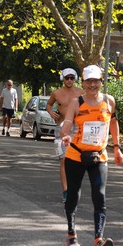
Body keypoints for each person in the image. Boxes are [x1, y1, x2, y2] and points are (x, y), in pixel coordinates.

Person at [59, 65, 123, 246]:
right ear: (83, 83)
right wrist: (65, 135)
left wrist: (117, 148)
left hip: (99, 155)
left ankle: (98, 240)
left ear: (101, 81)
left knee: (99, 196)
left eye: (96, 81)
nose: (93, 85)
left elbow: (113, 123)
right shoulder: (76, 102)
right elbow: (67, 124)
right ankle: (71, 235)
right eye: (89, 81)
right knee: (73, 195)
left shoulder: (109, 101)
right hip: (76, 154)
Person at [46, 68, 84, 204]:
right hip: (60, 128)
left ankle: (74, 188)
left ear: (75, 79)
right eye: (67, 78)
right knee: (63, 161)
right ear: (63, 79)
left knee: (77, 161)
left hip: (77, 128)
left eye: (71, 78)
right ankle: (66, 191)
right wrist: (51, 112)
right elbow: (48, 105)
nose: (69, 80)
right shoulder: (56, 93)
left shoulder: (81, 93)